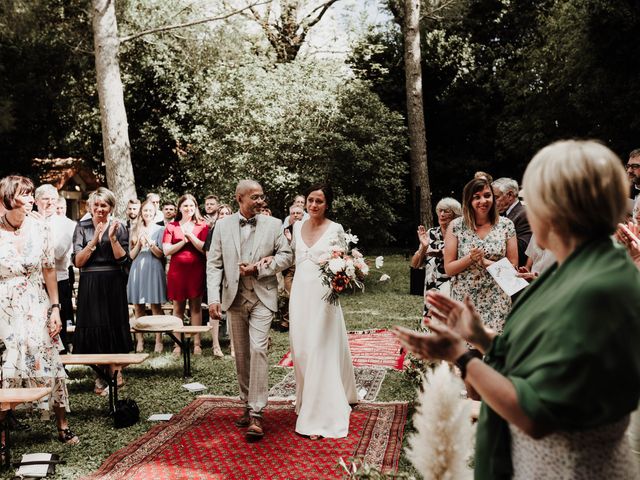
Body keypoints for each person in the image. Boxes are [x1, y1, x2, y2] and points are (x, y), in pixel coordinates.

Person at [395, 139, 640, 479]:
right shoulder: (570, 267)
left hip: (569, 467)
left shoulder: (599, 289)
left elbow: (537, 412)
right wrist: (478, 335)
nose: (525, 209)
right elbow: (541, 353)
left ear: (558, 207)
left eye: (530, 199)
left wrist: (462, 357)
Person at [207, 180, 292, 440]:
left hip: (262, 297)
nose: (259, 201)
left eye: (261, 197)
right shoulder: (222, 225)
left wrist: (260, 267)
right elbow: (214, 264)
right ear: (239, 198)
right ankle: (245, 403)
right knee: (241, 354)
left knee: (258, 349)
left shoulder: (275, 224)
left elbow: (287, 256)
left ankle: (257, 413)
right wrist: (213, 298)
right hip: (233, 298)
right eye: (254, 197)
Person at [0, 175, 79, 445]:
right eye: (25, 194)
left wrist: (55, 308)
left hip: (36, 301)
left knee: (48, 359)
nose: (31, 198)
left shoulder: (40, 226)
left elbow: (48, 270)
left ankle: (62, 424)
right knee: (6, 363)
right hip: (4, 303)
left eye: (31, 193)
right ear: (9, 198)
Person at [288, 184, 358, 439]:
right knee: (302, 348)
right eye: (310, 200)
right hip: (299, 296)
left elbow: (343, 262)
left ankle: (321, 414)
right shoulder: (296, 227)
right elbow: (290, 259)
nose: (314, 205)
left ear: (327, 204)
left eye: (319, 201)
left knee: (320, 348)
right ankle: (307, 399)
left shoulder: (336, 228)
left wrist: (345, 273)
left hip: (324, 297)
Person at [72, 187, 132, 392]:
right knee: (94, 323)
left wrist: (112, 238)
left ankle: (115, 369)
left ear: (111, 207)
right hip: (90, 282)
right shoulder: (82, 226)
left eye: (103, 205)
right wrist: (94, 241)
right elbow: (78, 262)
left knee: (112, 322)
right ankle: (99, 373)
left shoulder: (119, 226)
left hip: (113, 280)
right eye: (96, 205)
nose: (99, 208)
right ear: (90, 206)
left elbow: (123, 259)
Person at [444, 176, 517, 333]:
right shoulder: (456, 226)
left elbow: (513, 267)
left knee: (494, 350)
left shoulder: (506, 225)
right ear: (468, 200)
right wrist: (470, 258)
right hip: (465, 298)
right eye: (476, 197)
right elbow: (449, 269)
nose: (483, 201)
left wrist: (487, 263)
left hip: (497, 298)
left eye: (487, 195)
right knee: (466, 351)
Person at [162, 194, 209, 355]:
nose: (189, 209)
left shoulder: (202, 226)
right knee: (178, 308)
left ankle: (197, 343)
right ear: (179, 208)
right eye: (185, 206)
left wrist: (191, 237)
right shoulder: (172, 226)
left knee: (196, 306)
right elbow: (166, 250)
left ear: (195, 207)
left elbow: (204, 249)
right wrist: (183, 241)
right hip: (177, 272)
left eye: (191, 206)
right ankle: (178, 344)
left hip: (196, 269)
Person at [35, 184, 76, 351]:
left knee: (59, 323)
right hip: (35, 281)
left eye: (52, 199)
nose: (49, 202)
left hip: (59, 280)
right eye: (45, 199)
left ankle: (62, 363)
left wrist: (43, 228)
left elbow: (58, 253)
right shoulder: (27, 222)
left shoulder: (67, 224)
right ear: (36, 201)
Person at [410, 197, 461, 317]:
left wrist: (442, 254)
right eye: (440, 211)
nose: (442, 214)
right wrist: (423, 247)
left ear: (455, 215)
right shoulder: (431, 233)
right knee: (432, 326)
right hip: (431, 286)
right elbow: (415, 265)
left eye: (446, 211)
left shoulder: (460, 234)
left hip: (453, 286)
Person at [127, 200, 167, 353]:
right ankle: (140, 341)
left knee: (156, 306)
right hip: (138, 266)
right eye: (145, 211)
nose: (147, 213)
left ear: (155, 212)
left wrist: (150, 243)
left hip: (153, 265)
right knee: (138, 306)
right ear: (141, 212)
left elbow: (160, 254)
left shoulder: (160, 229)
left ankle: (158, 341)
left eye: (150, 211)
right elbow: (130, 255)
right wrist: (139, 244)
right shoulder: (134, 228)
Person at [492, 178, 532, 267]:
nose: (492, 202)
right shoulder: (505, 214)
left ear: (510, 195)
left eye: (496, 197)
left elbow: (523, 249)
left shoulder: (524, 214)